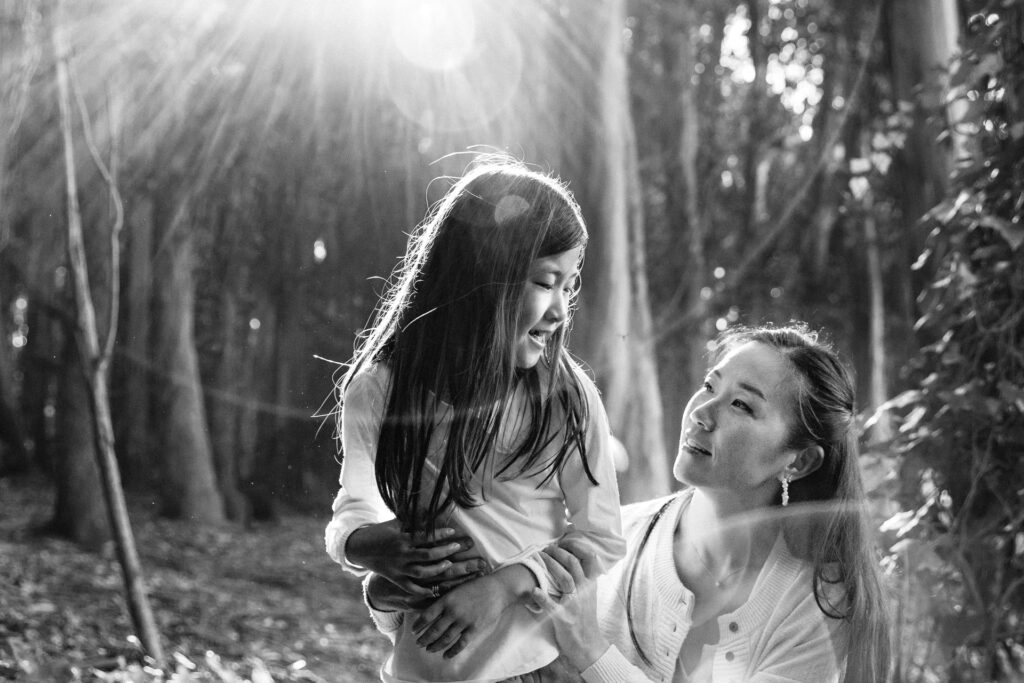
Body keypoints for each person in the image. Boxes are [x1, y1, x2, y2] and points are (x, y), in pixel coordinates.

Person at [324, 157, 626, 682]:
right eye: (545, 282)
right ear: (481, 279)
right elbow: (353, 512)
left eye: (569, 286)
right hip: (424, 669)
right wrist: (369, 548)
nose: (560, 311)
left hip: (538, 667)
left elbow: (601, 539)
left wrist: (504, 585)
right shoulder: (381, 390)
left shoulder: (566, 397)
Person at [532, 323, 893, 682]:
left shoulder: (814, 604)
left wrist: (589, 651)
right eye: (709, 386)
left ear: (799, 462)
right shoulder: (608, 544)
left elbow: (580, 649)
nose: (700, 413)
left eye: (741, 404)